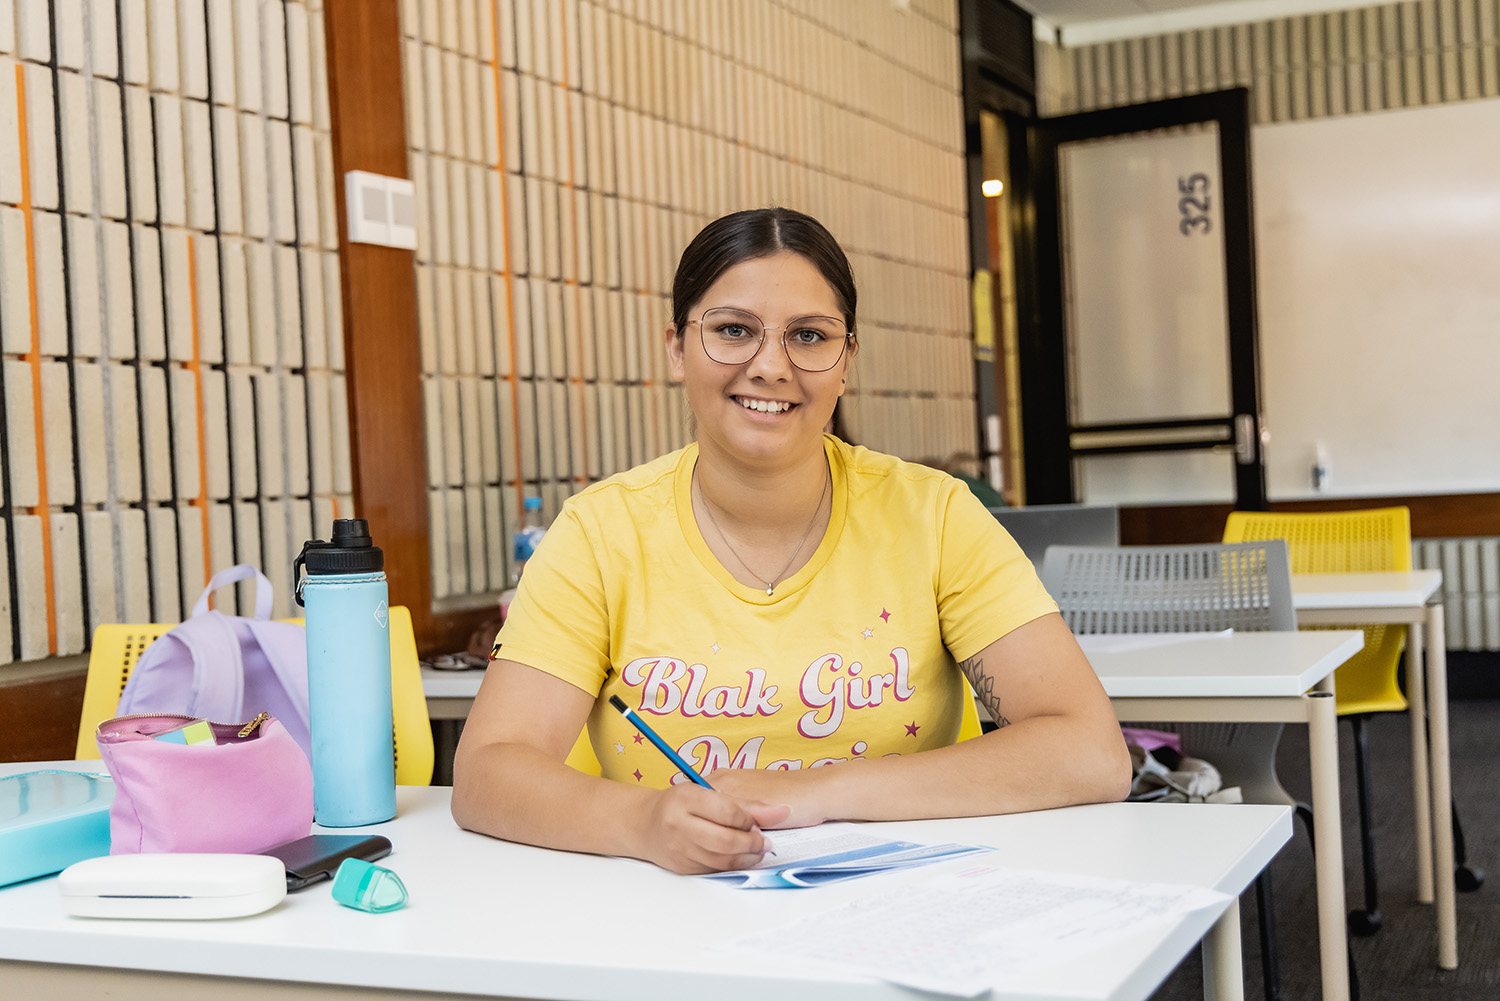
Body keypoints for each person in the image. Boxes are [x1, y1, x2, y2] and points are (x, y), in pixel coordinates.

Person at [452, 208, 1130, 874]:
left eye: (808, 336)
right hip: (674, 919)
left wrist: (818, 792)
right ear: (675, 347)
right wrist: (643, 823)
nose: (770, 365)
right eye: (732, 330)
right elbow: (487, 772)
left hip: (918, 909)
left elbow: (1090, 751)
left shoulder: (937, 515)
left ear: (847, 359)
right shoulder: (599, 533)